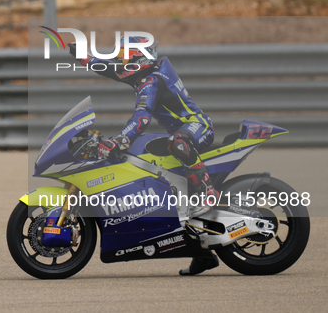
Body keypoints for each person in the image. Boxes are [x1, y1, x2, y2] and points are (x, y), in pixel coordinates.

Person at [68, 36, 219, 275]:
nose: (121, 62)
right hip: (182, 129)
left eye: (126, 57)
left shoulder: (152, 80)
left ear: (140, 57)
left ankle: (208, 191)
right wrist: (85, 57)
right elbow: (108, 69)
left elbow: (142, 117)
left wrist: (120, 140)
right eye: (121, 57)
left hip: (197, 126)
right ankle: (202, 253)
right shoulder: (142, 74)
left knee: (177, 143)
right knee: (167, 178)